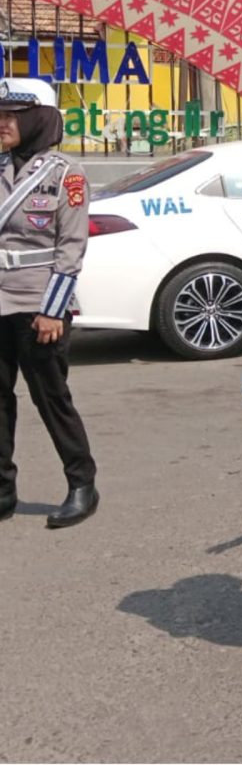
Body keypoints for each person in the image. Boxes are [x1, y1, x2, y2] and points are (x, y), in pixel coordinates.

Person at [0, 75, 97, 531]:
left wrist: (53, 309)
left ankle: (82, 484)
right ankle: (3, 490)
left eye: (12, 116)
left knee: (51, 399)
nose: (2, 123)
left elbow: (71, 247)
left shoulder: (65, 174)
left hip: (39, 304)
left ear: (38, 118)